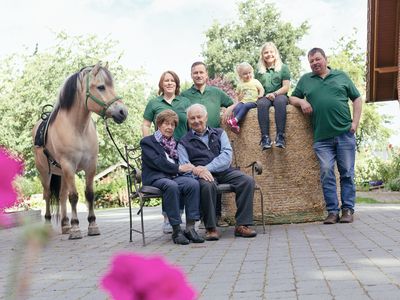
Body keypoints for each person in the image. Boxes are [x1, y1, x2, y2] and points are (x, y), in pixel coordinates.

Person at [289, 47, 362, 224]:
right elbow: (292, 98)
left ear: (325, 59)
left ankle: (347, 210)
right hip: (322, 138)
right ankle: (332, 211)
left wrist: (355, 123)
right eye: (311, 61)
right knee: (327, 172)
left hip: (345, 134)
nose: (315, 63)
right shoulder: (306, 80)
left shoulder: (341, 76)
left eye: (317, 59)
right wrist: (302, 101)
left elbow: (357, 99)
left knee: (346, 173)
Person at [177, 104, 257, 241]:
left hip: (223, 171)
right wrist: (199, 172)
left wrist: (206, 168)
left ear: (206, 117)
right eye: (192, 118)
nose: (196, 121)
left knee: (247, 181)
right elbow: (184, 165)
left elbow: (226, 156)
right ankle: (211, 227)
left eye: (199, 117)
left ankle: (242, 225)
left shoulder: (220, 133)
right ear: (188, 121)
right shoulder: (183, 142)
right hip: (202, 176)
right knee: (207, 185)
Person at [181, 61, 237, 227]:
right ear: (191, 75)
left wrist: (228, 109)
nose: (198, 75)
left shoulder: (216, 92)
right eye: (195, 73)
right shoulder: (185, 95)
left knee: (215, 174)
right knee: (204, 180)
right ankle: (206, 218)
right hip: (194, 140)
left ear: (206, 75)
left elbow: (235, 102)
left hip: (213, 138)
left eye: (201, 72)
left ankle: (217, 216)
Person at [140, 109, 204, 245]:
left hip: (172, 177)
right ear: (159, 125)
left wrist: (191, 168)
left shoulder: (176, 143)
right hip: (155, 178)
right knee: (171, 186)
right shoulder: (147, 142)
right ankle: (176, 230)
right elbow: (158, 162)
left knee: (192, 183)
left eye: (172, 125)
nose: (169, 127)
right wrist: (179, 168)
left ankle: (190, 228)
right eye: (166, 124)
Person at [142, 71, 191, 234]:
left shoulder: (185, 101)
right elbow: (146, 124)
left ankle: (181, 218)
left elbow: (190, 123)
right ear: (161, 84)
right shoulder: (154, 103)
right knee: (170, 180)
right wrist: (150, 144)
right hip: (159, 147)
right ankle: (170, 219)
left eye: (172, 81)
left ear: (177, 84)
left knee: (184, 180)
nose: (169, 83)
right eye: (166, 80)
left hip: (179, 146)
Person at [255, 42, 291, 150]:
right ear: (262, 55)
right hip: (265, 97)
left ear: (275, 53)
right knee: (261, 104)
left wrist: (275, 93)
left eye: (271, 52)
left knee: (279, 102)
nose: (269, 54)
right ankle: (265, 138)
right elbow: (256, 86)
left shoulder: (283, 68)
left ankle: (280, 136)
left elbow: (286, 87)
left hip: (280, 95)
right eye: (266, 52)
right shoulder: (259, 71)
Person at [226, 62, 265, 134]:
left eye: (249, 73)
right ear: (240, 76)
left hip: (253, 102)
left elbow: (261, 89)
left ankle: (236, 120)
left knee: (246, 106)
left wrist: (260, 95)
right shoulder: (240, 85)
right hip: (243, 101)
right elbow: (237, 95)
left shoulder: (255, 81)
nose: (248, 75)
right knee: (237, 107)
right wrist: (237, 102)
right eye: (245, 74)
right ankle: (235, 125)